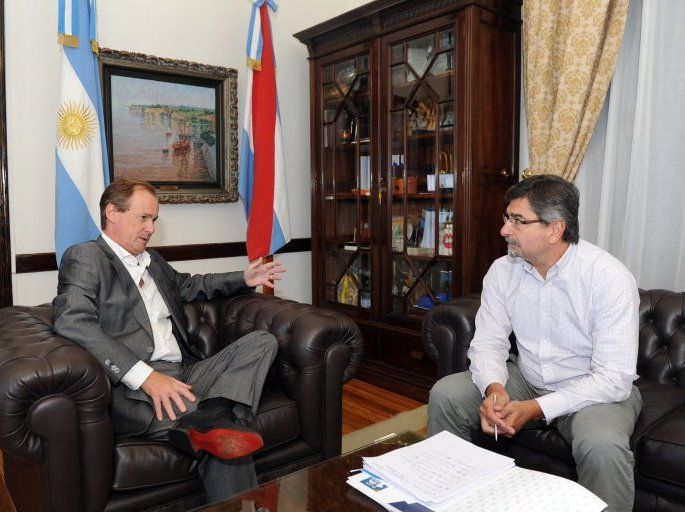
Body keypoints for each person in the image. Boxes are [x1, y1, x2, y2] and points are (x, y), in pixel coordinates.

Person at [53, 178, 286, 503]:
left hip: (188, 372)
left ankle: (211, 415)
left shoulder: (154, 261)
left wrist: (243, 278)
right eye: (143, 218)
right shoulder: (86, 256)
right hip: (137, 391)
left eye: (154, 219)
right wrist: (146, 377)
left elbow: (191, 286)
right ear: (112, 213)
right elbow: (72, 320)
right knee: (224, 437)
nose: (150, 228)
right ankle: (215, 422)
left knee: (262, 342)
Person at [428, 174, 642, 512]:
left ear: (554, 229)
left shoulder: (608, 278)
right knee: (447, 394)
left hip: (593, 391)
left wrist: (535, 409)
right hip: (527, 377)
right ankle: (444, 498)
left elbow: (613, 379)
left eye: (518, 221)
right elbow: (488, 342)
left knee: (602, 445)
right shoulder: (502, 270)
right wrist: (494, 389)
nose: (504, 230)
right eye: (506, 218)